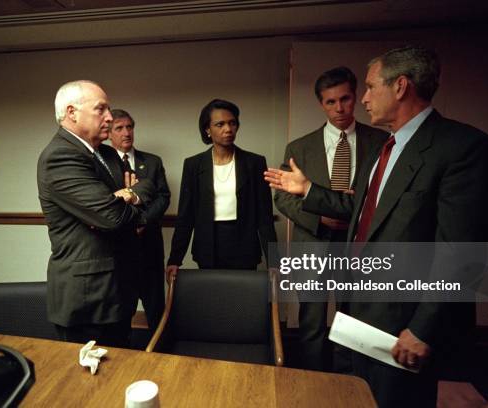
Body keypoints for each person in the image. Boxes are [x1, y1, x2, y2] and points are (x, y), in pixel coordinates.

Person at [265, 46, 488, 407]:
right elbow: (360, 209)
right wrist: (309, 190)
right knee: (358, 395)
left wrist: (424, 329)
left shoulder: (465, 148)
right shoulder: (385, 149)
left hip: (403, 319)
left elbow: (464, 253)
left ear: (400, 86)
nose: (362, 99)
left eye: (370, 87)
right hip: (357, 308)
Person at [275, 66, 387, 372]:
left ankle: (349, 385)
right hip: (312, 245)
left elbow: (386, 196)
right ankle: (313, 385)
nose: (340, 108)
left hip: (358, 247)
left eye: (346, 99)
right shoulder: (299, 147)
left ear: (356, 97)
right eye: (331, 102)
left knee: (351, 324)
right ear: (321, 104)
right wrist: (319, 220)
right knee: (311, 323)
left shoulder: (381, 142)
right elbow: (282, 197)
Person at [37, 80, 154, 348]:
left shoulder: (108, 154)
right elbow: (112, 217)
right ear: (71, 113)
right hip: (87, 300)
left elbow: (147, 187)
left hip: (119, 291)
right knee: (86, 384)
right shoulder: (59, 156)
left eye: (109, 109)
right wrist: (119, 204)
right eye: (100, 109)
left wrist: (129, 195)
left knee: (119, 376)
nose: (110, 117)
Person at [166, 99, 277, 280]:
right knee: (212, 302)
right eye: (220, 124)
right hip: (208, 244)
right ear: (207, 130)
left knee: (243, 302)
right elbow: (186, 216)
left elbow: (264, 217)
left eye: (232, 123)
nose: (228, 129)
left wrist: (275, 262)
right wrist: (174, 259)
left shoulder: (254, 163)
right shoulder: (193, 165)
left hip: (244, 244)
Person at [108, 108, 171, 334]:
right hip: (119, 252)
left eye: (130, 127)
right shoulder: (103, 164)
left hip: (150, 248)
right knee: (121, 313)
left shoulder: (152, 162)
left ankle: (162, 359)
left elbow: (164, 196)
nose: (126, 132)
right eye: (119, 128)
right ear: (108, 133)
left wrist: (142, 220)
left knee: (156, 311)